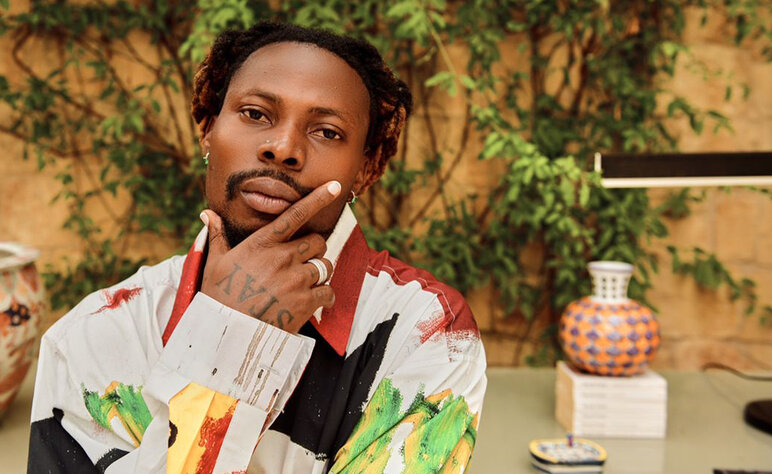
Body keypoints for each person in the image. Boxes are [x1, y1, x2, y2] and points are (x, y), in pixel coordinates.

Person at [27, 21, 487, 474]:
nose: (283, 148)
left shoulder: (427, 334)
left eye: (327, 131)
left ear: (366, 169)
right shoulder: (94, 337)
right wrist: (226, 343)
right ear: (208, 129)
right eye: (255, 113)